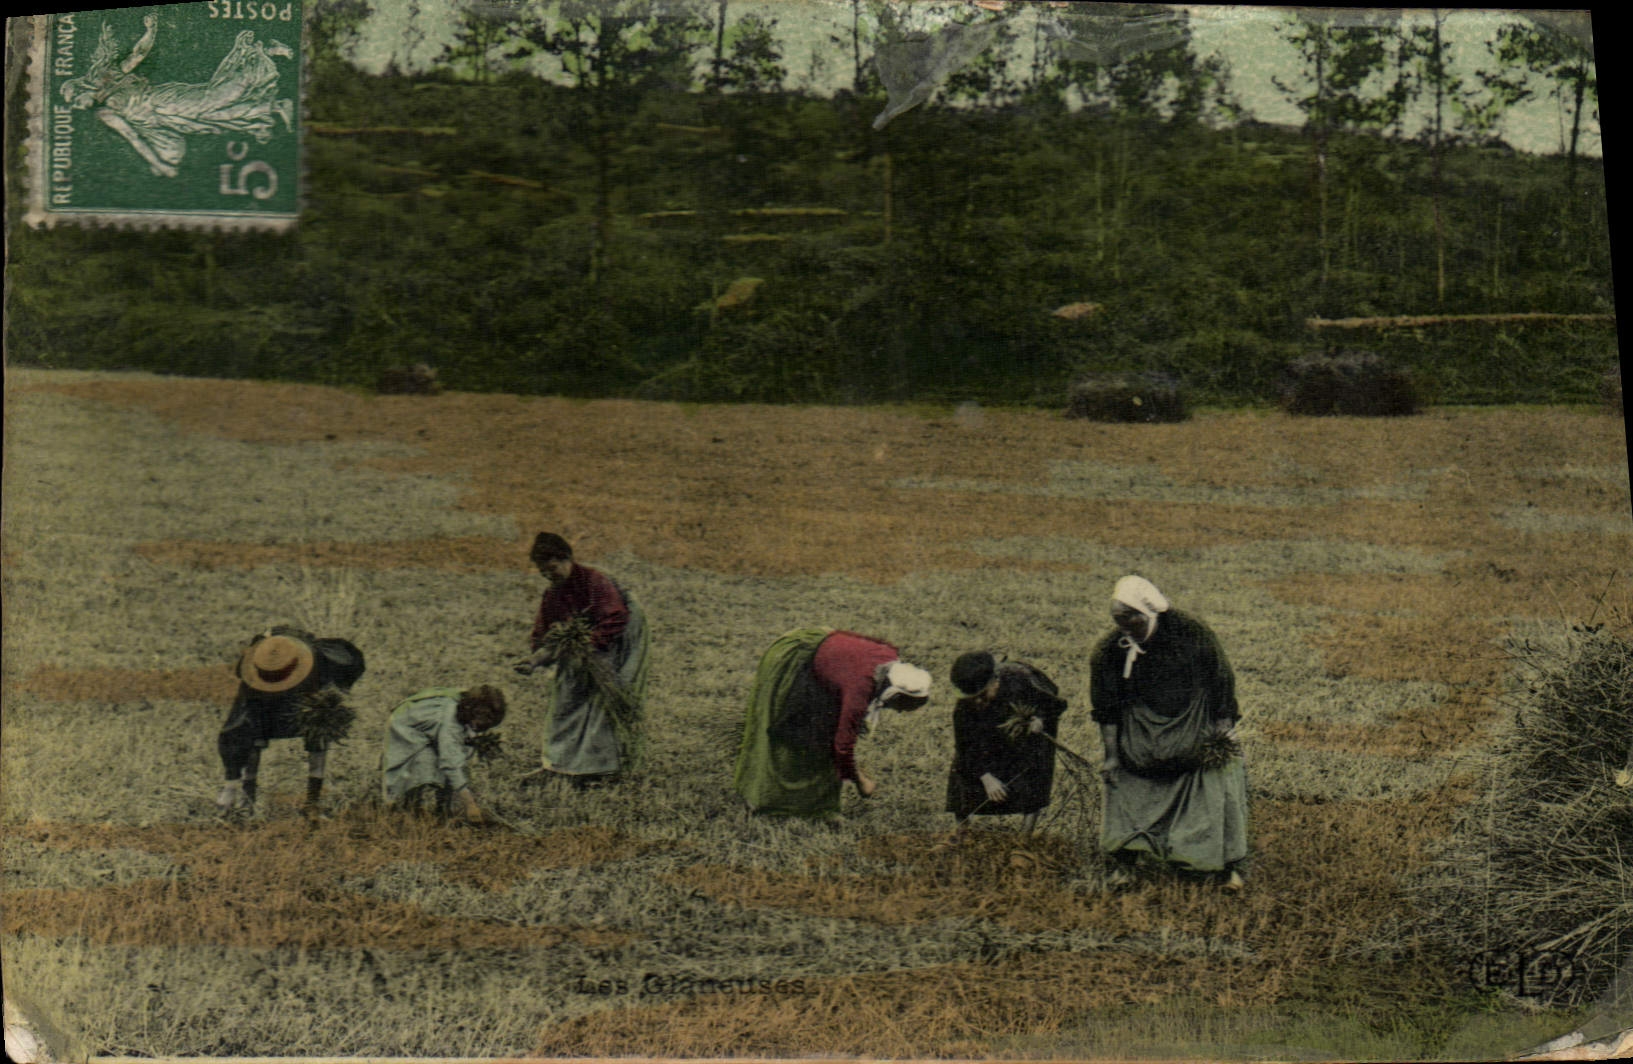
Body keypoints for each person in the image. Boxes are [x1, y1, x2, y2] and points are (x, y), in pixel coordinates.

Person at [1090, 576, 1249, 890]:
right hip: (1139, 735)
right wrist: (1111, 756)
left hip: (1192, 725)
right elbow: (1106, 708)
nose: (1122, 627)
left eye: (1128, 619)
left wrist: (1222, 730)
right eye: (1117, 620)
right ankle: (1125, 862)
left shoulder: (1191, 634)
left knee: (1214, 785)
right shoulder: (1110, 650)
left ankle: (1221, 866)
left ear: (1147, 613)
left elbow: (1220, 681)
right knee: (1126, 787)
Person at [62, 17, 295, 179]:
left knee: (216, 98)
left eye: (75, 100)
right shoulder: (104, 113)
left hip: (162, 100)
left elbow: (137, 55)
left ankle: (260, 52)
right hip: (161, 121)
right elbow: (133, 136)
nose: (78, 107)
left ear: (81, 88)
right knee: (217, 116)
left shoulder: (107, 78)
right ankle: (275, 106)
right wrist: (159, 163)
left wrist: (151, 31)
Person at [733, 628, 931, 817]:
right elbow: (843, 746)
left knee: (823, 731)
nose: (899, 711)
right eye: (900, 706)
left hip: (828, 655)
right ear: (892, 695)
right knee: (782, 731)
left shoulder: (890, 657)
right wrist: (860, 781)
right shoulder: (859, 691)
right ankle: (766, 800)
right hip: (794, 656)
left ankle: (814, 803)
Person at [512, 533, 650, 786]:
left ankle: (602, 769)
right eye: (543, 572)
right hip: (584, 643)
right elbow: (546, 633)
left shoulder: (594, 581)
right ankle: (557, 764)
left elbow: (615, 617)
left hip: (619, 636)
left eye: (552, 568)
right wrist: (534, 660)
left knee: (603, 699)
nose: (548, 575)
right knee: (566, 695)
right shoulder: (553, 594)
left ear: (567, 559)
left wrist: (589, 649)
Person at [215, 626, 365, 814]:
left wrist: (324, 698)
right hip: (266, 701)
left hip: (305, 694)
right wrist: (230, 785)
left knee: (318, 727)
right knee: (252, 730)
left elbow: (348, 669)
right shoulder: (256, 674)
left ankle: (312, 802)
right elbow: (233, 732)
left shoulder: (317, 661)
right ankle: (247, 800)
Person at [945, 651, 1069, 834]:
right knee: (962, 768)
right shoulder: (964, 707)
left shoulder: (1022, 680)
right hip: (988, 740)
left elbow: (1056, 703)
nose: (978, 702)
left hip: (1024, 736)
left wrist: (1040, 719)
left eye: (982, 695)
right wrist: (986, 777)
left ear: (995, 681)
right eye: (972, 698)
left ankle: (1024, 837)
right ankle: (962, 833)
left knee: (1034, 767)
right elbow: (964, 747)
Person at [381, 685, 506, 823]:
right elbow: (451, 762)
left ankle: (442, 808)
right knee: (419, 764)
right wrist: (470, 804)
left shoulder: (466, 706)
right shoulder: (450, 720)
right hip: (406, 724)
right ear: (470, 711)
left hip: (428, 723)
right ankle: (405, 808)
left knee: (451, 757)